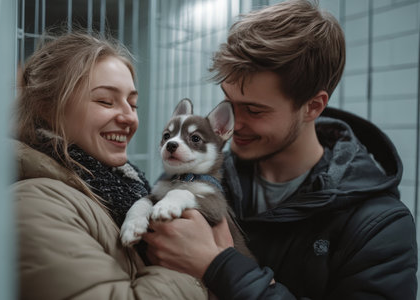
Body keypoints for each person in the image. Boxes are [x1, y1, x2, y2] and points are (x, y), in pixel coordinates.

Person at [142, 0, 418, 299]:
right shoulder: (203, 174)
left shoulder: (378, 226)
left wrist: (221, 268)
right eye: (228, 101)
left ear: (313, 106)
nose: (233, 123)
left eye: (254, 110)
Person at [12, 31, 208, 299]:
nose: (130, 117)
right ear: (47, 107)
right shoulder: (33, 204)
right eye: (106, 101)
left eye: (133, 103)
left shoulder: (120, 186)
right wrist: (199, 265)